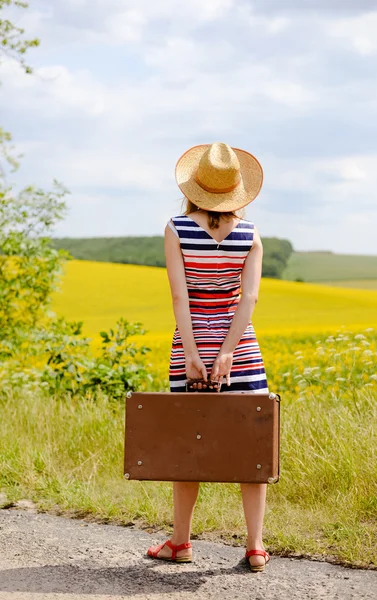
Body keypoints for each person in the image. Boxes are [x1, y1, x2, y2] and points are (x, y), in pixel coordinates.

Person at [147, 142, 270, 572]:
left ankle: (180, 542)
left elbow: (180, 297)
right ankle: (255, 546)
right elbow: (249, 298)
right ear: (237, 189)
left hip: (189, 345)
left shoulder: (176, 229)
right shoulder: (250, 235)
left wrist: (196, 354)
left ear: (195, 185)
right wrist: (229, 353)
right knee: (253, 445)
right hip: (244, 350)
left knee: (188, 444)